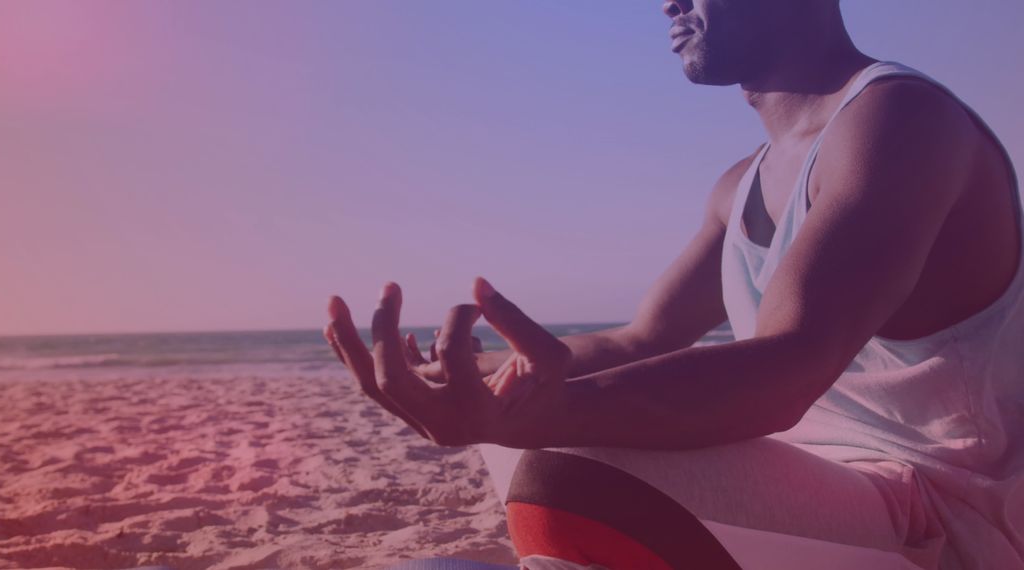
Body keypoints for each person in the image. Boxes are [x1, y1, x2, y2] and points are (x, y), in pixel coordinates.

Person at [324, 1, 1023, 568]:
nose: (668, 3)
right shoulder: (740, 183)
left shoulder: (901, 121)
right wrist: (469, 384)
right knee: (514, 437)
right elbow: (643, 339)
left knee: (560, 465)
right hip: (816, 485)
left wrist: (540, 417)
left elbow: (786, 369)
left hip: (936, 511)